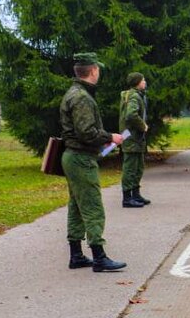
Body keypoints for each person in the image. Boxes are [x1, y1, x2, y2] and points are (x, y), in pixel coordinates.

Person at [60, 53, 126, 273]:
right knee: (92, 206)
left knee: (77, 206)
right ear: (93, 70)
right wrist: (110, 137)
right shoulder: (82, 98)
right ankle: (99, 257)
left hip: (73, 157)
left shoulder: (74, 93)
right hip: (81, 158)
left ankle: (76, 255)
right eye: (98, 69)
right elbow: (87, 132)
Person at [119, 72, 151, 208]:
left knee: (138, 166)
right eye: (143, 80)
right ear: (137, 82)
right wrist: (142, 126)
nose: (145, 82)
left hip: (135, 137)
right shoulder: (134, 96)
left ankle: (136, 194)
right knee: (130, 168)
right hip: (131, 137)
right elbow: (131, 115)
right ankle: (127, 198)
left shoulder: (137, 95)